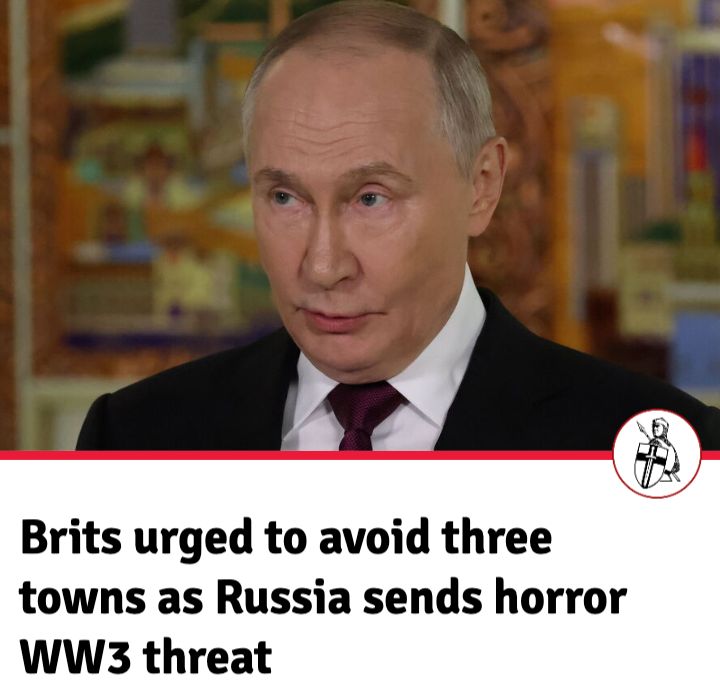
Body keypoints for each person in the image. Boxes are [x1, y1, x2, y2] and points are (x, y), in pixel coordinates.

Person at [77, 0, 720, 451]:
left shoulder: (656, 452)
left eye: (370, 199)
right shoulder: (133, 437)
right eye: (285, 197)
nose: (323, 266)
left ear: (482, 185)